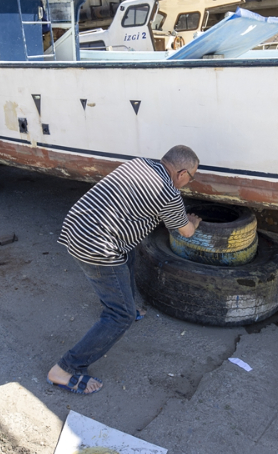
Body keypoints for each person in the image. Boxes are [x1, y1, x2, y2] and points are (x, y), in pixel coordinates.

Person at [47, 145, 202, 395]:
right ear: (182, 173)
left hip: (75, 226)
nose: (188, 183)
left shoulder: (138, 163)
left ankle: (129, 305)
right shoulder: (169, 194)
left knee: (128, 252)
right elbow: (184, 231)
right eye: (191, 178)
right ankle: (64, 370)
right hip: (96, 245)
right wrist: (192, 221)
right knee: (120, 316)